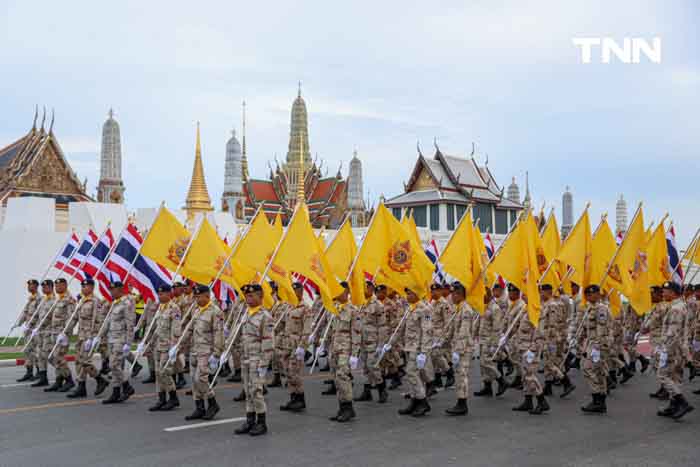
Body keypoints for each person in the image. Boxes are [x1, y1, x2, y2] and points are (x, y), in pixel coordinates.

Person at [234, 283, 273, 435]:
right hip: (246, 357)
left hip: (257, 359)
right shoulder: (246, 313)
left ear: (260, 297)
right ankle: (250, 420)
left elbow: (268, 342)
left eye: (251, 296)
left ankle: (261, 422)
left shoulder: (265, 316)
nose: (248, 299)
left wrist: (264, 364)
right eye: (246, 296)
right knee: (248, 390)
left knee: (256, 390)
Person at [183, 284, 224, 421]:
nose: (196, 299)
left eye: (199, 296)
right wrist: (178, 346)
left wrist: (217, 354)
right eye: (195, 297)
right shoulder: (197, 310)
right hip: (195, 349)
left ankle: (213, 403)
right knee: (194, 381)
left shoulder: (215, 312)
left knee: (201, 379)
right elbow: (189, 329)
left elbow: (219, 334)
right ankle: (199, 407)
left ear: (207, 296)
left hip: (207, 351)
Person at [507, 285, 549, 415]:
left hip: (531, 349)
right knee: (525, 376)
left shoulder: (537, 310)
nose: (522, 296)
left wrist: (533, 349)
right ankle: (528, 400)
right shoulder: (526, 309)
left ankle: (542, 401)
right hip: (523, 347)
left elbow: (540, 333)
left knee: (530, 376)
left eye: (525, 294)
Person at [656, 281, 694, 419]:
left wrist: (664, 350)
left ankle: (682, 402)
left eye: (665, 291)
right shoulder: (680, 306)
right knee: (675, 377)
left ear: (672, 292)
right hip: (680, 348)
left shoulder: (676, 309)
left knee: (662, 375)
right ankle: (673, 406)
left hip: (673, 348)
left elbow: (672, 333)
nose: (663, 293)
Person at [66, 279, 109, 398]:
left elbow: (98, 321)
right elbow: (74, 319)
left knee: (85, 361)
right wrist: (65, 333)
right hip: (80, 336)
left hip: (89, 337)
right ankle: (81, 387)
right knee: (78, 361)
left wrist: (93, 337)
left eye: (86, 287)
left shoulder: (96, 302)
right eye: (82, 287)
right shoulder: (81, 301)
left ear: (91, 288)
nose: (83, 288)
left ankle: (100, 379)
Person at [326, 282, 361, 423]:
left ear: (346, 291)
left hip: (346, 349)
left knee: (343, 377)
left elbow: (357, 333)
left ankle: (348, 408)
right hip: (334, 348)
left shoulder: (353, 311)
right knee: (336, 378)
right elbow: (331, 330)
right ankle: (342, 406)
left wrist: (354, 354)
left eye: (339, 290)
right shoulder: (333, 309)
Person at [397, 287, 433, 417]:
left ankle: (422, 401)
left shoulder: (425, 309)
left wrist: (423, 352)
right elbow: (403, 328)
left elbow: (427, 332)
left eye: (410, 293)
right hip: (409, 346)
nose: (407, 296)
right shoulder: (410, 308)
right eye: (406, 293)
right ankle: (415, 400)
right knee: (413, 374)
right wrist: (391, 343)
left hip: (418, 348)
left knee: (411, 372)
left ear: (417, 294)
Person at [99, 281, 136, 404]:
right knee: (114, 367)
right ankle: (116, 392)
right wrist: (99, 336)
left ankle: (127, 386)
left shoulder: (127, 303)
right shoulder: (115, 303)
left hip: (120, 339)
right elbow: (108, 322)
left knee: (113, 365)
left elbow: (130, 324)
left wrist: (128, 343)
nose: (111, 292)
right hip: (111, 338)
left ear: (120, 290)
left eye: (113, 290)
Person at [279, 282, 314, 412]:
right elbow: (283, 325)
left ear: (301, 291)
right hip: (287, 344)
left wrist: (302, 346)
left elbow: (307, 329)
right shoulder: (289, 307)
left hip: (297, 344)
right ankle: (293, 397)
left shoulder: (305, 308)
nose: (294, 293)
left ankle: (300, 399)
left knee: (295, 372)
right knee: (287, 372)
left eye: (297, 291)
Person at [149, 285, 182, 412]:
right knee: (158, 373)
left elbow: (176, 329)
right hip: (158, 345)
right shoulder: (160, 308)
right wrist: (149, 343)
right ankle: (161, 399)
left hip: (168, 346)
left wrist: (174, 347)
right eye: (159, 294)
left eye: (162, 294)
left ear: (169, 294)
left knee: (164, 372)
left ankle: (173, 397)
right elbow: (157, 328)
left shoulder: (174, 308)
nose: (160, 296)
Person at [442, 281, 473, 416]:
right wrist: (442, 342)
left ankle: (462, 403)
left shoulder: (466, 310)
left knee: (462, 375)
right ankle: (460, 401)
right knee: (459, 374)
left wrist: (458, 351)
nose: (451, 297)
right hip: (457, 347)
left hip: (464, 348)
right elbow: (453, 330)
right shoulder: (458, 308)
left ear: (459, 294)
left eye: (453, 294)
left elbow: (464, 332)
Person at [355, 281, 389, 403]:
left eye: (365, 288)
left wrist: (381, 344)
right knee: (365, 367)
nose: (363, 290)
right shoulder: (361, 303)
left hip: (373, 341)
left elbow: (382, 326)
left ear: (371, 288)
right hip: (363, 341)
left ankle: (382, 389)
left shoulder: (378, 305)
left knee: (372, 365)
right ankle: (367, 391)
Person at [579, 285, 610, 414]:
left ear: (598, 294)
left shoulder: (601, 309)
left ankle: (597, 397)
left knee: (588, 368)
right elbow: (586, 328)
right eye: (587, 294)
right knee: (598, 372)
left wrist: (596, 347)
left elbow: (601, 330)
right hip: (591, 343)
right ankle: (600, 402)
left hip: (598, 344)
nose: (589, 296)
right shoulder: (589, 308)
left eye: (592, 294)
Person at [474, 286, 508, 397]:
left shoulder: (495, 308)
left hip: (489, 340)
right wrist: (474, 335)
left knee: (486, 362)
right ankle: (487, 386)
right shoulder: (483, 307)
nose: (481, 297)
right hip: (482, 339)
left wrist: (494, 344)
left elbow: (497, 328)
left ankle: (501, 380)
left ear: (489, 295)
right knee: (482, 365)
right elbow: (478, 323)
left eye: (483, 295)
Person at [30, 279, 56, 388]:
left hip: (48, 331)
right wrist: (31, 326)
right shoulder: (43, 300)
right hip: (40, 331)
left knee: (48, 355)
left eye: (46, 287)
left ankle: (65, 376)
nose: (44, 289)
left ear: (51, 287)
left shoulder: (55, 300)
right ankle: (43, 377)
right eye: (43, 287)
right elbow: (37, 315)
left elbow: (54, 318)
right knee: (40, 354)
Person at [16, 279, 41, 382]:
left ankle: (40, 372)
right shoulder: (31, 298)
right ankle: (29, 372)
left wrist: (31, 325)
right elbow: (25, 312)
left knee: (36, 351)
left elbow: (39, 314)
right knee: (27, 351)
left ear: (36, 286)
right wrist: (19, 322)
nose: (29, 287)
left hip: (35, 329)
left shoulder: (39, 299)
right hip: (28, 328)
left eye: (31, 285)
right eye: (28, 285)